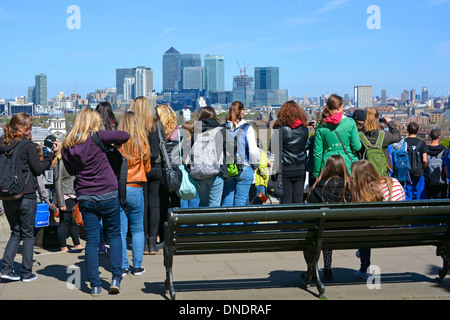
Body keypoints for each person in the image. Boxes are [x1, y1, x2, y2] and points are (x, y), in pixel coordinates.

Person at [61, 107, 129, 296]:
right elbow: (124, 135)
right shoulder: (97, 137)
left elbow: (71, 171)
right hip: (108, 192)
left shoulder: (67, 145)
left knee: (91, 241)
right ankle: (116, 277)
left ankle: (95, 285)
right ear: (92, 122)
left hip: (85, 196)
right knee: (114, 235)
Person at [0, 113, 57, 282]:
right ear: (20, 128)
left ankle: (7, 268)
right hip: (26, 194)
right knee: (28, 234)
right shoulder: (28, 146)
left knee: (15, 232)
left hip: (7, 194)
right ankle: (26, 272)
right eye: (29, 127)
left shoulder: (2, 143)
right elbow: (39, 169)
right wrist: (51, 156)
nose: (31, 129)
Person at [351, 160, 405, 279]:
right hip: (399, 230)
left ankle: (364, 269)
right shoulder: (394, 182)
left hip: (374, 233)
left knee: (363, 229)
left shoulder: (364, 192)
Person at [307, 155, 355, 280]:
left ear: (326, 168)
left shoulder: (318, 187)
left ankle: (312, 269)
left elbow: (310, 209)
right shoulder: (350, 186)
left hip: (324, 230)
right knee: (328, 229)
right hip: (349, 232)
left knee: (318, 233)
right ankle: (327, 267)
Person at [117, 111, 151, 276]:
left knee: (121, 230)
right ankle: (137, 265)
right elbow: (148, 167)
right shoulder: (142, 142)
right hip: (136, 185)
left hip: (120, 187)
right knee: (137, 228)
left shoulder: (117, 144)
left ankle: (123, 266)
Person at [128, 97, 162, 255]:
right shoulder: (156, 124)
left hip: (140, 168)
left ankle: (142, 244)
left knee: (142, 206)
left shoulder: (134, 127)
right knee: (154, 205)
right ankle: (152, 242)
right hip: (156, 166)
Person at [313, 94, 361, 178]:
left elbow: (317, 152)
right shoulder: (350, 123)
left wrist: (317, 172)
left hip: (327, 164)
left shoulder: (321, 124)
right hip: (347, 164)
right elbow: (357, 146)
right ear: (338, 108)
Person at [221, 101, 259, 207]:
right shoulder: (247, 128)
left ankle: (226, 223)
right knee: (241, 203)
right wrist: (254, 165)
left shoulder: (223, 128)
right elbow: (253, 151)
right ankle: (238, 223)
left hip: (228, 168)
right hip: (245, 167)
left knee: (227, 202)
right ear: (242, 112)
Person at [272, 101, 309, 203]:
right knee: (299, 200)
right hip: (300, 167)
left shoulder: (280, 128)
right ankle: (299, 219)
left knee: (286, 202)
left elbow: (273, 148)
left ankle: (287, 219)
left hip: (285, 168)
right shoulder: (304, 128)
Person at [95, 102, 119, 254]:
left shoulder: (95, 128)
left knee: (97, 214)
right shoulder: (114, 126)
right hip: (114, 169)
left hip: (99, 170)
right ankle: (111, 239)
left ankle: (100, 242)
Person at [155, 104, 180, 245]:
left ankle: (164, 238)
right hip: (176, 172)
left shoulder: (156, 132)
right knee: (176, 205)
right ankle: (175, 236)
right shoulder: (179, 132)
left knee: (161, 206)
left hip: (162, 170)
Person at [190, 106, 225, 207]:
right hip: (215, 172)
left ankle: (201, 222)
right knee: (215, 204)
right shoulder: (220, 130)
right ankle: (212, 223)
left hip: (199, 173)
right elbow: (232, 147)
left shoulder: (196, 131)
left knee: (203, 204)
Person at [53, 148, 83, 252]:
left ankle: (77, 243)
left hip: (74, 195)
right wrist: (61, 201)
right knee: (64, 221)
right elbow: (58, 183)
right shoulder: (60, 164)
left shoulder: (73, 162)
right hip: (65, 195)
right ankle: (63, 246)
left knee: (74, 221)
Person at [358, 108, 401, 175]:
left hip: (365, 171)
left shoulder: (359, 136)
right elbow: (397, 137)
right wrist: (390, 123)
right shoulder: (383, 135)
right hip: (382, 171)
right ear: (377, 119)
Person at [404, 122, 428, 200]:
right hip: (419, 171)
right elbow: (425, 160)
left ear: (407, 131)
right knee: (420, 195)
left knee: (407, 194)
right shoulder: (422, 143)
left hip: (407, 172)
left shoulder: (403, 143)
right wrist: (422, 169)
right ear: (417, 131)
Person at [179, 121, 200, 208]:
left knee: (183, 196)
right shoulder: (195, 143)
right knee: (194, 196)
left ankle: (183, 219)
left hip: (182, 172)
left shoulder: (180, 143)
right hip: (193, 173)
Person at [425, 129, 448, 199]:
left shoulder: (426, 149)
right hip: (441, 181)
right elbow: (446, 166)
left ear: (430, 137)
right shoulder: (444, 150)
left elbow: (424, 162)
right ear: (439, 137)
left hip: (429, 181)